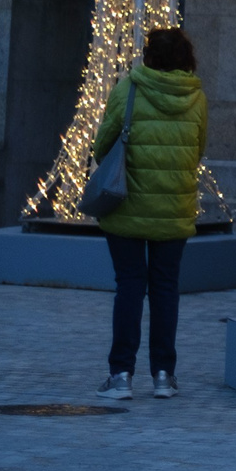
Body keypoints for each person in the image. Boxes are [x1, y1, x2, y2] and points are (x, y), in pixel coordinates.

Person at [92, 26, 209, 403]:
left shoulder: (128, 89)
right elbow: (198, 150)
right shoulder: (196, 97)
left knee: (129, 285)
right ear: (185, 58)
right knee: (165, 288)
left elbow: (101, 146)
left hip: (126, 205)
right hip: (174, 207)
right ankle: (163, 375)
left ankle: (121, 375)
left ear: (149, 56)